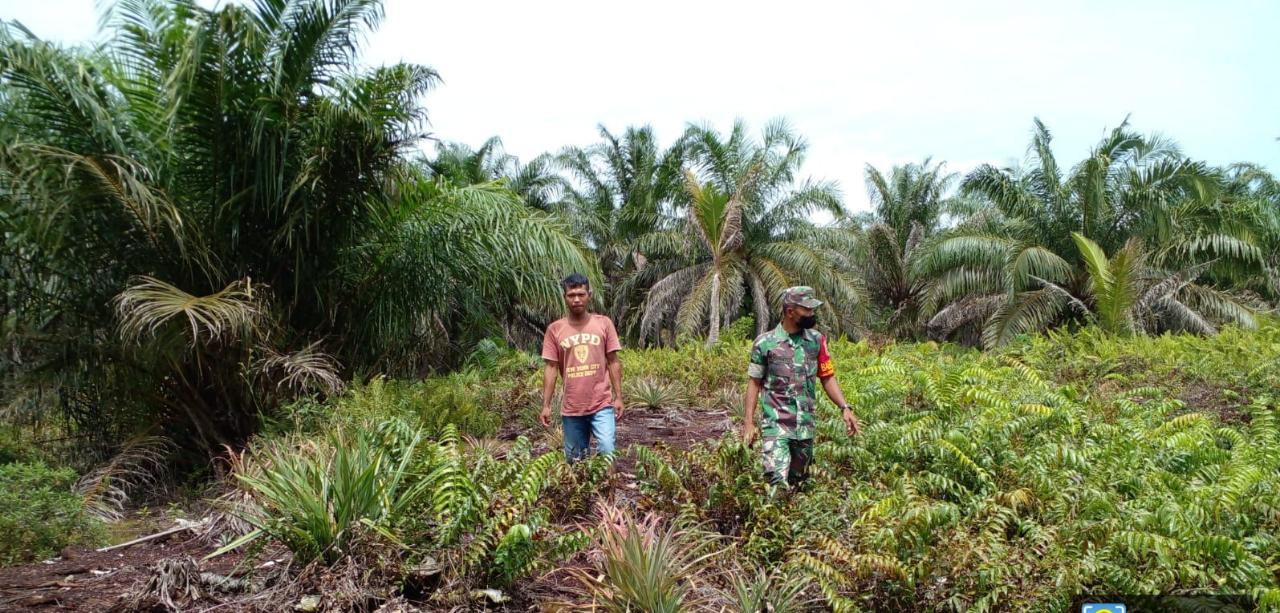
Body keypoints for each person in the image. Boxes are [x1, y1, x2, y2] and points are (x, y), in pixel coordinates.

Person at [742, 286, 861, 487]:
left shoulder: (816, 341)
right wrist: (748, 423)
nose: (812, 314)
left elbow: (827, 377)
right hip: (776, 425)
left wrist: (845, 407)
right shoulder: (764, 344)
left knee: (799, 485)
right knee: (777, 481)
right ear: (790, 312)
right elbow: (754, 383)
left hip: (805, 427)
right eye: (807, 310)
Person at [540, 273, 624, 462]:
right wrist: (545, 405)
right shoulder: (555, 329)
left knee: (607, 450)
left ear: (589, 295)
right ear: (565, 297)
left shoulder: (603, 324)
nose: (576, 299)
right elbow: (551, 368)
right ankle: (584, 493)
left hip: (601, 404)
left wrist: (618, 397)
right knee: (576, 460)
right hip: (572, 408)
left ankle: (609, 490)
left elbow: (613, 361)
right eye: (571, 295)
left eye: (581, 294)